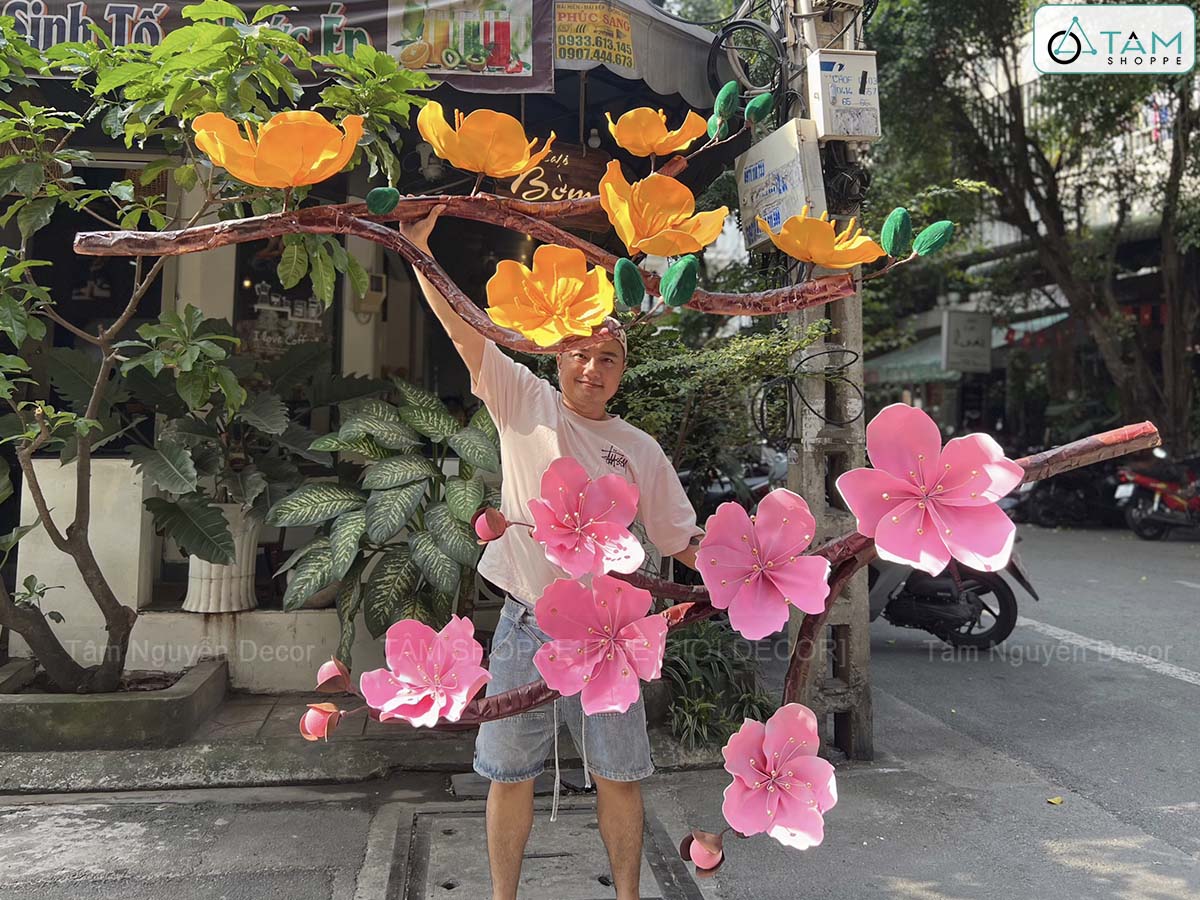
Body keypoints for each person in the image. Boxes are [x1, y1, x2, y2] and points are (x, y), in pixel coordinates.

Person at [401, 208, 703, 900]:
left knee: (619, 774)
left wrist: (755, 568)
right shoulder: (523, 400)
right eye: (580, 353)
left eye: (607, 358)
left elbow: (679, 541)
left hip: (610, 636)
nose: (591, 368)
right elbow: (463, 328)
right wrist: (419, 253)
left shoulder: (639, 450)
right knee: (509, 775)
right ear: (558, 355)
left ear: (623, 370)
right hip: (525, 623)